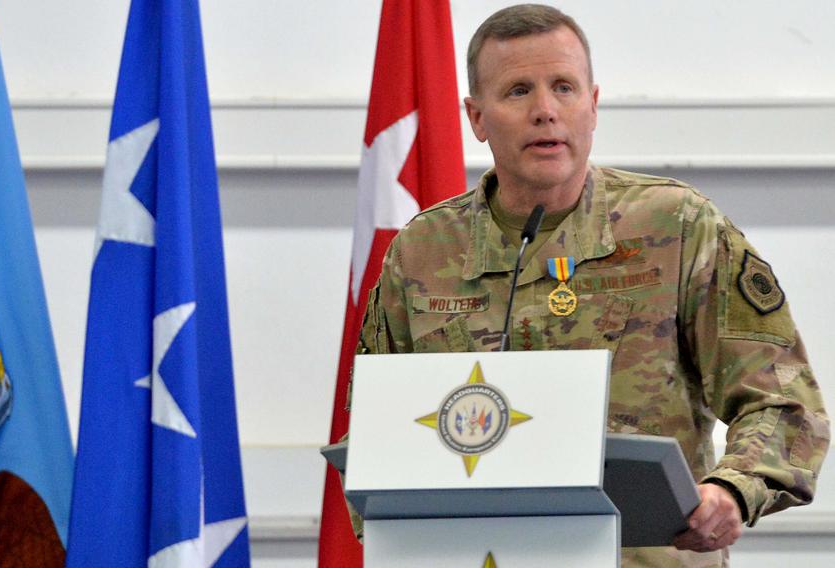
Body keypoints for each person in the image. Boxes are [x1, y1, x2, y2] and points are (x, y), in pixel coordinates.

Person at [354, 4, 829, 567]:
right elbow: (375, 434)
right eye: (517, 92)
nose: (545, 112)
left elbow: (784, 401)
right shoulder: (422, 252)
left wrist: (733, 489)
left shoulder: (677, 227)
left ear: (594, 105)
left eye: (564, 87)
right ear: (476, 118)